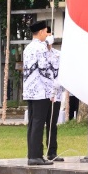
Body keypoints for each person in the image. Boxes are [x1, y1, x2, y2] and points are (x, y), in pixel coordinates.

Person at [22, 20, 55, 166]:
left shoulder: (28, 48)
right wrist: (51, 89)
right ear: (41, 32)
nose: (47, 35)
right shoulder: (40, 48)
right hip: (40, 91)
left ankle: (32, 154)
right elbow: (44, 70)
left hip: (29, 90)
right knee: (38, 123)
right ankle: (36, 156)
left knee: (32, 123)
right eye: (46, 32)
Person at [44, 27, 64, 162]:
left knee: (52, 124)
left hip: (55, 94)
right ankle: (37, 152)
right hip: (42, 94)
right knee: (39, 123)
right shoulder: (39, 52)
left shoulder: (58, 54)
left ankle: (52, 151)